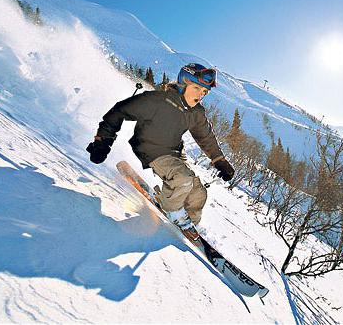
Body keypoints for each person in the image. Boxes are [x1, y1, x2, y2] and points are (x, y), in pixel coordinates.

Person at [86, 63, 235, 241]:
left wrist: (219, 160)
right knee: (182, 179)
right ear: (183, 83)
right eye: (196, 88)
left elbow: (206, 138)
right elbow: (119, 111)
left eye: (204, 92)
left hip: (174, 153)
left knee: (198, 192)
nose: (200, 95)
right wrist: (103, 141)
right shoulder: (157, 100)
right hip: (151, 149)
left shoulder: (196, 112)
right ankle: (173, 211)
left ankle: (189, 224)